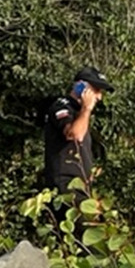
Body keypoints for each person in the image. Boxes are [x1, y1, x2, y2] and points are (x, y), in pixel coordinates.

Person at [42, 66, 115, 202]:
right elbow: (75, 135)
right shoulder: (62, 107)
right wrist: (86, 109)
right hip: (65, 186)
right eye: (96, 90)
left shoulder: (79, 113)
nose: (99, 97)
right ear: (81, 87)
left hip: (80, 186)